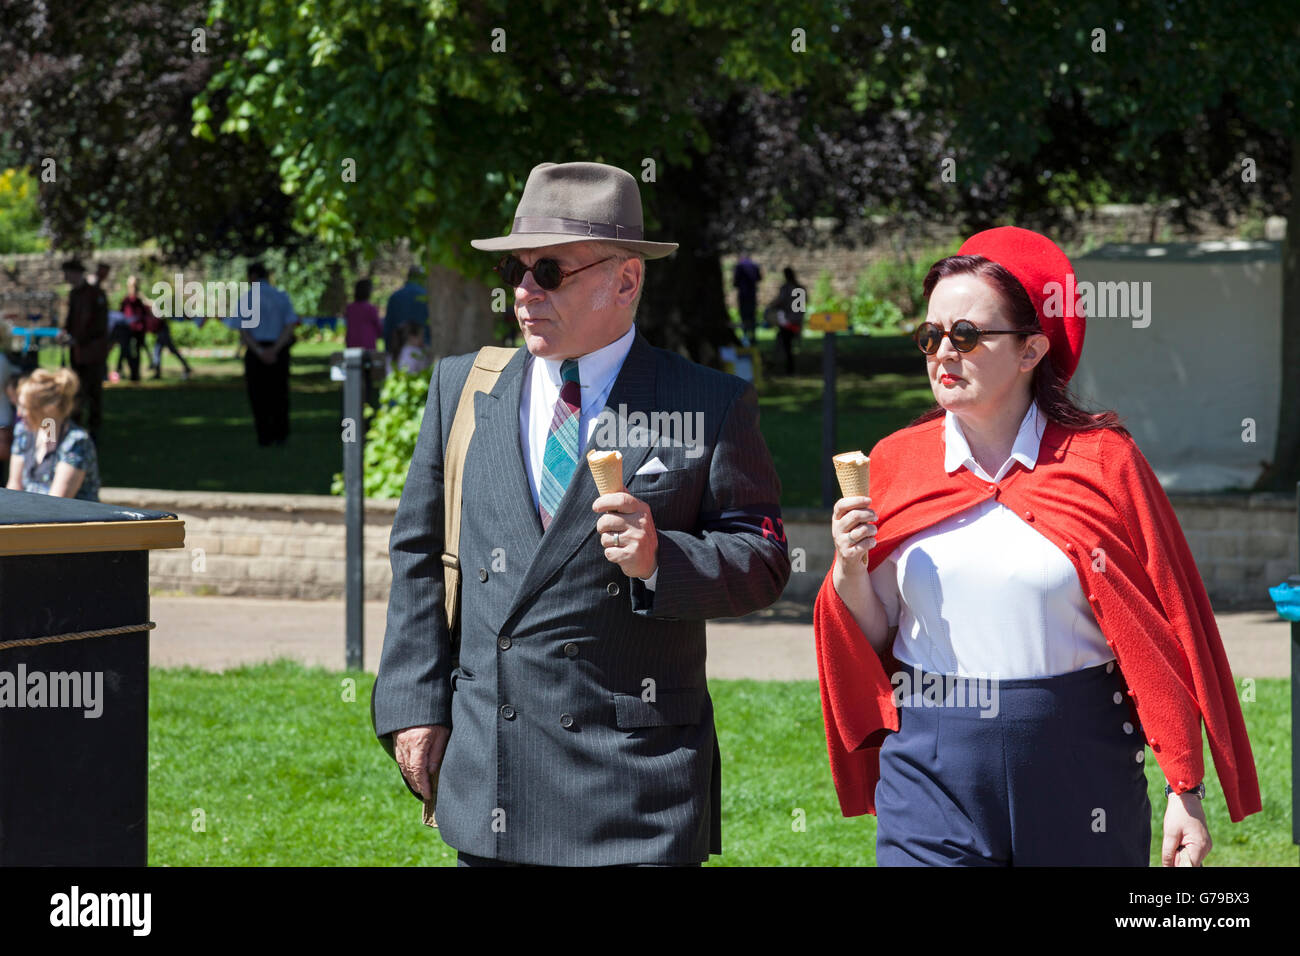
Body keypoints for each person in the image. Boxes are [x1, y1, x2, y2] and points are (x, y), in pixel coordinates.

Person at [372, 160, 792, 867]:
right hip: (491, 778)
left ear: (625, 279)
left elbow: (764, 556)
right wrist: (414, 704)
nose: (525, 293)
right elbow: (417, 556)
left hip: (634, 790)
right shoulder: (461, 390)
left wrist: (663, 561)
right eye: (515, 273)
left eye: (550, 272)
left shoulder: (707, 403)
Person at [813, 226, 1261, 867]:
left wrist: (1183, 786)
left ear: (1031, 351)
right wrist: (849, 568)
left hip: (1081, 758)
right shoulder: (894, 464)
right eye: (930, 336)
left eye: (966, 335)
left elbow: (1164, 626)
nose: (944, 353)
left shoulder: (1103, 462)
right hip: (932, 763)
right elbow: (871, 632)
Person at [6, 367, 101, 501]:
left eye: (25, 407)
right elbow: (14, 487)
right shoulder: (23, 432)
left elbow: (55, 506)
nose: (19, 414)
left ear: (47, 410)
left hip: (67, 519)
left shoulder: (76, 442)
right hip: (29, 517)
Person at [238, 262, 298, 447]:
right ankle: (281, 433)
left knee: (258, 395)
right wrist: (276, 349)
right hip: (278, 348)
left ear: (252, 277)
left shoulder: (247, 298)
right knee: (279, 393)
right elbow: (290, 326)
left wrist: (260, 351)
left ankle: (264, 435)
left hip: (257, 350)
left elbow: (244, 331)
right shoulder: (281, 297)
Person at [59, 259, 109, 446]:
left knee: (93, 391)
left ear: (76, 273)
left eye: (68, 273)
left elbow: (98, 325)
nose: (65, 277)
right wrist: (65, 333)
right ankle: (76, 428)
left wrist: (78, 339)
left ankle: (94, 430)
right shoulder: (74, 295)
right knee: (76, 390)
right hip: (77, 352)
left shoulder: (95, 294)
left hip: (92, 352)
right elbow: (72, 320)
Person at [383, 265, 429, 356]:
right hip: (422, 351)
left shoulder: (395, 297)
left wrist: (388, 350)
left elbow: (388, 326)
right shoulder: (426, 296)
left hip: (398, 351)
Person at [765, 266, 804, 375]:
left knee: (786, 346)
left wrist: (770, 307)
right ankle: (784, 366)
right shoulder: (799, 288)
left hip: (788, 322)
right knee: (786, 344)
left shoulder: (787, 288)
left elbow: (780, 301)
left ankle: (786, 368)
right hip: (796, 321)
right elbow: (800, 309)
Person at [344, 278, 383, 350]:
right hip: (367, 344)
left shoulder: (349, 308)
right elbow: (378, 328)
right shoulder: (371, 309)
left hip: (351, 343)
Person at [732, 254, 762, 345]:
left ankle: (745, 338)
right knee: (752, 317)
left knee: (744, 317)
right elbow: (759, 278)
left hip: (743, 295)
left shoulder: (739, 266)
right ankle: (753, 337)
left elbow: (735, 282)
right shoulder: (754, 265)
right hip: (752, 295)